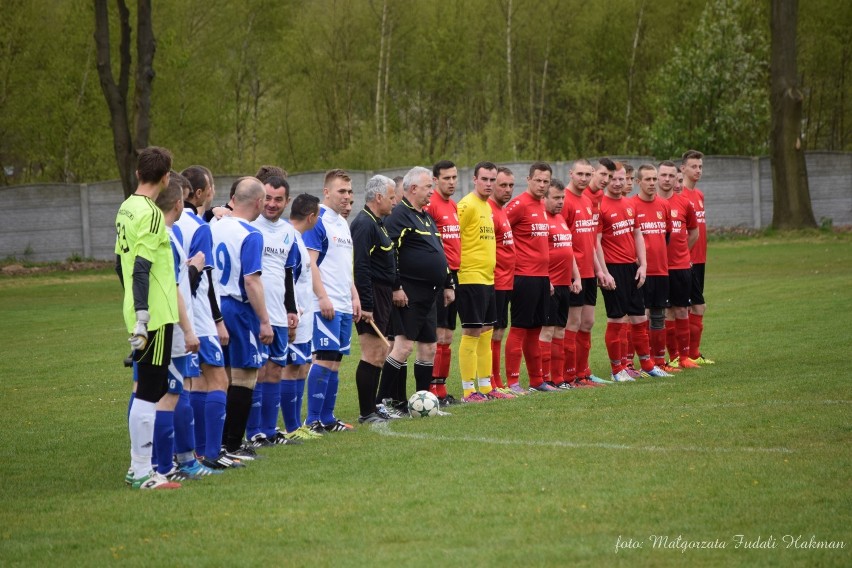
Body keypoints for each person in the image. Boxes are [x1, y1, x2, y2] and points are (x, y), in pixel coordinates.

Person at [115, 146, 181, 489]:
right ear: (166, 177)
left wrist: (131, 306)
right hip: (153, 316)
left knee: (148, 387)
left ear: (139, 173)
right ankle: (142, 472)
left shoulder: (126, 207)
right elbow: (141, 267)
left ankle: (136, 467)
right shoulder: (153, 214)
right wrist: (143, 315)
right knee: (151, 391)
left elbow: (119, 265)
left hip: (140, 311)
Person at [176, 166, 239, 469]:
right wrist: (217, 320)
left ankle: (196, 453)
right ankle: (212, 453)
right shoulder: (199, 228)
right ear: (198, 193)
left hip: (177, 315)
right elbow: (204, 280)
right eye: (212, 186)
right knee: (218, 380)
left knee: (194, 384)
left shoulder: (178, 224)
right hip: (199, 316)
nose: (215, 190)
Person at [153, 173, 215, 479]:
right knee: (172, 394)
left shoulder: (154, 234)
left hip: (150, 323)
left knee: (151, 394)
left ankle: (162, 462)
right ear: (179, 202)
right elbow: (174, 287)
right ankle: (171, 464)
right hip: (173, 328)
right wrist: (189, 329)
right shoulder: (167, 238)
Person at [380, 166, 454, 414]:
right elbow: (389, 253)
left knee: (429, 349)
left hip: (430, 295)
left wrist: (446, 283)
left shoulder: (425, 216)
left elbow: (438, 254)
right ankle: (382, 402)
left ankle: (423, 403)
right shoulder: (399, 215)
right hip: (408, 295)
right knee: (402, 348)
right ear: (412, 189)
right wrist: (396, 286)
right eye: (427, 187)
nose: (431, 192)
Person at [211, 176, 274, 460]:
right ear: (260, 203)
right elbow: (251, 281)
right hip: (237, 308)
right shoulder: (251, 234)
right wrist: (264, 320)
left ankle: (215, 442)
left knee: (219, 377)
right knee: (246, 375)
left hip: (212, 306)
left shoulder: (214, 226)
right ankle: (232, 444)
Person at [597, 163, 670, 382]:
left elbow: (638, 234)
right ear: (606, 179)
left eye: (622, 179)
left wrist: (643, 265)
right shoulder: (600, 205)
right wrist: (603, 271)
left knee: (639, 319)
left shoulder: (629, 204)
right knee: (617, 320)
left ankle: (648, 365)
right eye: (613, 179)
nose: (618, 183)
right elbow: (596, 242)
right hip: (613, 269)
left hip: (632, 267)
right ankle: (617, 369)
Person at [302, 169, 361, 433]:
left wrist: (354, 295)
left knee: (335, 361)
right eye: (341, 191)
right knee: (323, 359)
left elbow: (342, 266)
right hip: (324, 304)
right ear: (327, 192)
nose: (347, 196)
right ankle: (312, 419)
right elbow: (310, 263)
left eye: (349, 191)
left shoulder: (342, 222)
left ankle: (327, 418)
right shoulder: (319, 220)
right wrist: (322, 296)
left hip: (344, 303)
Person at [245, 176, 301, 447]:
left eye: (279, 199)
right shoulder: (248, 226)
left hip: (279, 314)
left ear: (286, 202)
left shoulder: (289, 231)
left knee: (275, 370)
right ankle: (253, 431)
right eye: (268, 197)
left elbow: (288, 273)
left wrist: (291, 309)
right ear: (259, 198)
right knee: (255, 371)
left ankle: (269, 430)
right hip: (255, 313)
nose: (272, 204)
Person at [351, 175, 401, 423]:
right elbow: (361, 267)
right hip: (371, 295)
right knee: (372, 352)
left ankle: (372, 407)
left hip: (382, 295)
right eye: (392, 197)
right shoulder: (364, 224)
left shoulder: (379, 222)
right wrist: (367, 305)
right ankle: (366, 412)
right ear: (379, 197)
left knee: (381, 351)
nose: (395, 201)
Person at [455, 161, 505, 402]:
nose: (489, 184)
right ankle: (468, 390)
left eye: (492, 180)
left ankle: (486, 387)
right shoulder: (466, 205)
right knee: (473, 330)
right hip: (469, 277)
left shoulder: (488, 207)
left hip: (487, 277)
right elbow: (453, 238)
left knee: (487, 330)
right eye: (484, 179)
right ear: (475, 179)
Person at [563, 159, 615, 387]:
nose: (584, 178)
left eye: (587, 174)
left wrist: (600, 271)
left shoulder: (588, 200)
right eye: (580, 174)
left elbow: (591, 241)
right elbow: (563, 241)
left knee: (588, 322)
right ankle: (568, 374)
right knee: (571, 324)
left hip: (588, 273)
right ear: (571, 174)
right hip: (571, 273)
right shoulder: (563, 200)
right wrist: (574, 272)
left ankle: (583, 373)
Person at [503, 162, 554, 392]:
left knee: (536, 331)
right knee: (520, 329)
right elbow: (500, 230)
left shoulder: (543, 204)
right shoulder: (519, 205)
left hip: (542, 277)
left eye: (546, 181)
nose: (542, 185)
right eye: (538, 180)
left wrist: (548, 277)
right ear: (529, 179)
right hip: (523, 276)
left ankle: (537, 381)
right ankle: (513, 382)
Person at [279, 194, 324, 440]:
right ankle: (291, 428)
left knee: (300, 367)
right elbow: (289, 281)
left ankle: (296, 426)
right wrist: (292, 312)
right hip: (295, 315)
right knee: (291, 367)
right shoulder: (291, 240)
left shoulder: (297, 238)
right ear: (311, 216)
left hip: (303, 314)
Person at [632, 164, 680, 374]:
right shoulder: (631, 205)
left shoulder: (663, 205)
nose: (652, 183)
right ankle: (640, 363)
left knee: (659, 315)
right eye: (648, 179)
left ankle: (659, 361)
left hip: (661, 269)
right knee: (640, 317)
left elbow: (667, 235)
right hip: (640, 271)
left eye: (654, 179)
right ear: (638, 182)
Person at [423, 160, 460, 405]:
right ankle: (430, 389)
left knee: (447, 334)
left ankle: (442, 389)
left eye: (454, 178)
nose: (451, 182)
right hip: (438, 277)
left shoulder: (453, 206)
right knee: (436, 335)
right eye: (446, 178)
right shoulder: (431, 206)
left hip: (454, 275)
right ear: (435, 180)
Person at [657, 161, 699, 370]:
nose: (666, 179)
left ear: (676, 178)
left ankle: (684, 357)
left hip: (680, 267)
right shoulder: (648, 203)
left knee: (682, 310)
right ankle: (671, 356)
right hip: (657, 269)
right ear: (657, 177)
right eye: (663, 175)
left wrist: (682, 253)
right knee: (663, 313)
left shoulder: (684, 204)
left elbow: (694, 232)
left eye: (670, 176)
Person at [540, 178, 581, 389]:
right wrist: (545, 279)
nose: (560, 202)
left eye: (562, 197)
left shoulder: (561, 220)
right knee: (546, 331)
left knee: (560, 332)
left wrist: (577, 276)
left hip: (565, 284)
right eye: (556, 198)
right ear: (544, 198)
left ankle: (558, 379)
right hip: (550, 285)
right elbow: (538, 254)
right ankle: (543, 379)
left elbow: (569, 250)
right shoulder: (542, 221)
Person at [488, 166, 523, 396]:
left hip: (507, 280)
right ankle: (491, 381)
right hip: (494, 280)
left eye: (511, 185)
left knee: (500, 330)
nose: (507, 189)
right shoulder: (489, 211)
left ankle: (496, 380)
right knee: (492, 332)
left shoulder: (503, 210)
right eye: (503, 185)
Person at [681, 149, 713, 365]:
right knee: (691, 307)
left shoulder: (699, 195)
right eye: (693, 166)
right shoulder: (680, 196)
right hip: (686, 261)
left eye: (700, 166)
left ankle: (692, 353)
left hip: (700, 259)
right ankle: (686, 354)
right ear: (683, 169)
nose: (698, 170)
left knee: (694, 307)